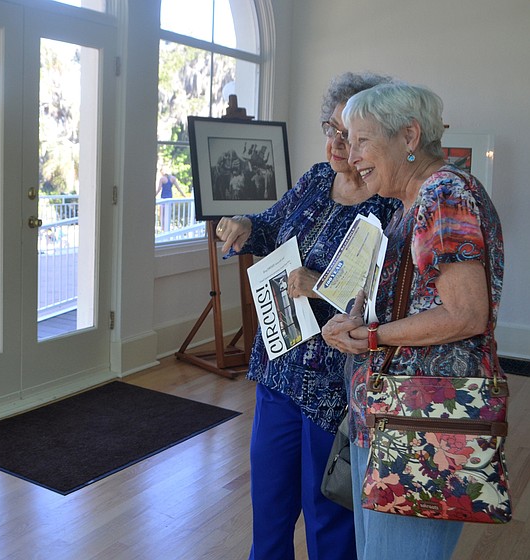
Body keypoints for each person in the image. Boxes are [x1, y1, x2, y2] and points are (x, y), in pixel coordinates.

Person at [215, 72, 399, 560]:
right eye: (331, 129)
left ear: (373, 138)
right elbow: (271, 225)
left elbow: (385, 295)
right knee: (269, 508)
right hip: (278, 368)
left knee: (328, 520)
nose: (337, 143)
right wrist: (245, 225)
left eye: (350, 135)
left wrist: (319, 283)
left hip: (333, 385)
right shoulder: (317, 179)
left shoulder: (389, 202)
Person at [321, 82, 504, 560]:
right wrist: (355, 320)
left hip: (420, 426)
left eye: (362, 140)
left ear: (409, 136)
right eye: (347, 141)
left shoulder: (443, 194)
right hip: (392, 418)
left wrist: (372, 335)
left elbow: (466, 314)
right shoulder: (412, 202)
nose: (351, 155)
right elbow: (409, 300)